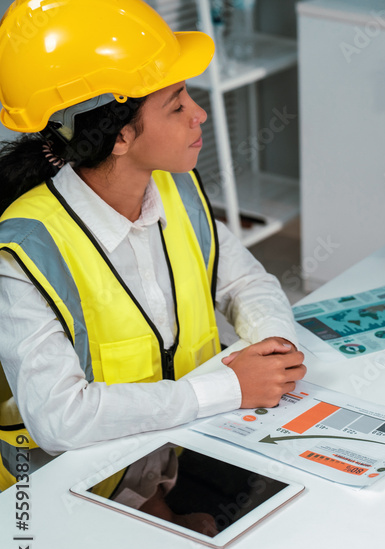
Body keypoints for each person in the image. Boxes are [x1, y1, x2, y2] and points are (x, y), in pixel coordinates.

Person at [0, 0, 306, 499]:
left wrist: (273, 346)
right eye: (178, 102)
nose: (200, 114)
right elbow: (60, 418)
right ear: (119, 136)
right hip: (72, 502)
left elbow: (246, 282)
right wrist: (230, 388)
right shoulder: (25, 253)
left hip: (176, 457)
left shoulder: (176, 192)